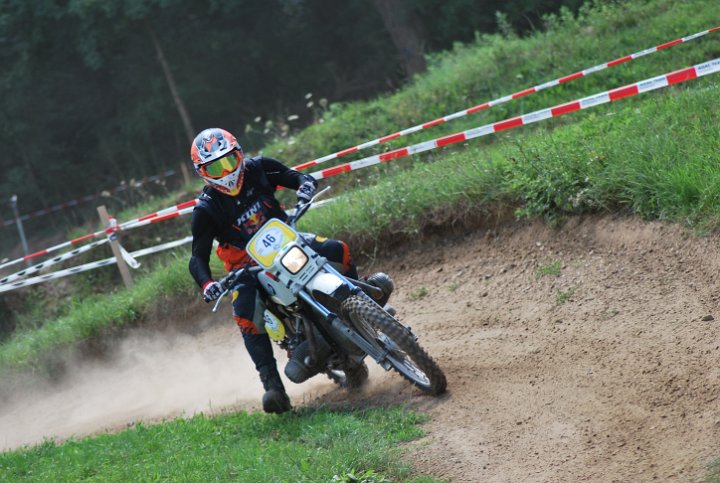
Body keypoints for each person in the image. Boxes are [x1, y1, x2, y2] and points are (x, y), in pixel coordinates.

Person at [188, 127, 375, 414]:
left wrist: (305, 186)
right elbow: (197, 258)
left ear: (239, 154)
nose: (226, 171)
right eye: (215, 167)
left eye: (229, 160)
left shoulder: (259, 168)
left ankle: (361, 303)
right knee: (245, 314)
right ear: (203, 172)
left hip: (288, 242)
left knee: (339, 250)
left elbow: (296, 176)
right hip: (245, 267)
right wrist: (207, 284)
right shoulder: (206, 209)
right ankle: (273, 388)